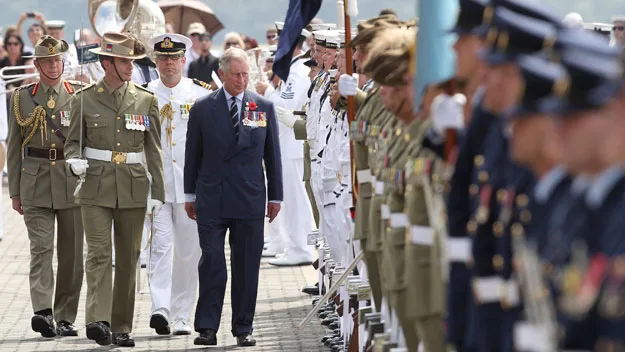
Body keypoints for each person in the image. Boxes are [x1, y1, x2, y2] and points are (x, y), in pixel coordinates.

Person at [64, 32, 165, 347]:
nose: (130, 67)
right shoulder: (83, 99)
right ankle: (98, 320)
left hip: (133, 186)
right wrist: (73, 162)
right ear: (106, 62)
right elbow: (71, 145)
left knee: (128, 258)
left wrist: (158, 194)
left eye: (132, 61)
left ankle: (122, 325)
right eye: (124, 61)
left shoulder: (145, 100)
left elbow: (154, 151)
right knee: (98, 254)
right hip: (95, 184)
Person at [184, 47, 283, 347]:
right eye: (236, 75)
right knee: (212, 261)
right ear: (223, 74)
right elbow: (192, 156)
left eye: (245, 75)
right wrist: (190, 194)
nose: (242, 80)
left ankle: (243, 327)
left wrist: (275, 197)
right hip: (212, 197)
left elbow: (273, 155)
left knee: (246, 265)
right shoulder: (202, 108)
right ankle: (207, 327)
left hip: (249, 198)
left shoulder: (262, 106)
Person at [6, 35, 84, 338]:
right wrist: (14, 191)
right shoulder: (21, 97)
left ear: (63, 62)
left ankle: (65, 316)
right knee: (40, 249)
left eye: (57, 61)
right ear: (37, 65)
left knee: (71, 254)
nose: (53, 66)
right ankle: (42, 311)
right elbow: (14, 148)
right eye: (47, 61)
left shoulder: (79, 94)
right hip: (35, 182)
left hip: (70, 182)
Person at [145, 33, 211, 336]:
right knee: (159, 249)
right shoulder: (144, 94)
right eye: (163, 58)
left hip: (190, 187)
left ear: (184, 60)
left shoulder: (199, 94)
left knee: (188, 252)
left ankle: (182, 315)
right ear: (155, 61)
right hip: (155, 186)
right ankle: (160, 308)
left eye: (174, 58)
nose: (168, 63)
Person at [256, 27, 315, 266]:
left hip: (293, 144)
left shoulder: (299, 71)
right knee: (290, 199)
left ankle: (300, 247)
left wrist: (267, 91)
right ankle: (293, 245)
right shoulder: (292, 69)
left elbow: (285, 108)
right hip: (287, 143)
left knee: (296, 200)